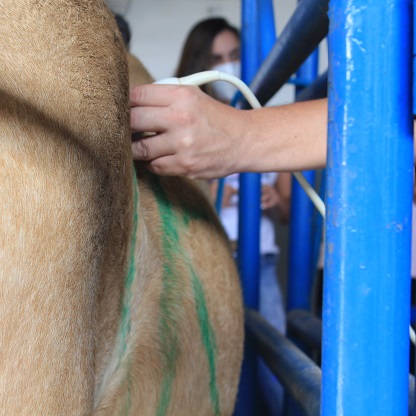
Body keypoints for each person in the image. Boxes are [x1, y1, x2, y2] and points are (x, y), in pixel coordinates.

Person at [171, 17, 291, 415]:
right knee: (206, 374)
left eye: (235, 56)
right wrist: (213, 193)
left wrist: (273, 197)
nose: (228, 67)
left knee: (275, 375)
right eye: (216, 58)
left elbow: (293, 213)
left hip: (263, 261)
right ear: (197, 63)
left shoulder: (270, 121)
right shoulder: (179, 126)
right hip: (201, 263)